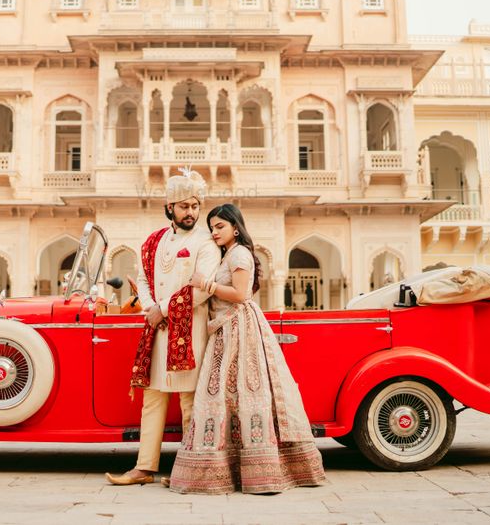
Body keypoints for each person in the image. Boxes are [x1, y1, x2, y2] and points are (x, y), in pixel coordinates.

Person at [168, 203, 326, 494]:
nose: (215, 232)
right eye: (212, 227)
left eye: (220, 227)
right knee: (229, 398)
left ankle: (255, 470)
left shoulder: (239, 253)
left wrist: (207, 284)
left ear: (235, 227)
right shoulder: (229, 253)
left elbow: (240, 294)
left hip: (239, 327)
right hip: (227, 328)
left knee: (241, 394)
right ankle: (232, 469)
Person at [105, 166, 221, 486]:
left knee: (187, 401)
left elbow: (202, 289)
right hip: (158, 330)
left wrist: (165, 310)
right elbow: (143, 279)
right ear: (169, 207)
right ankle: (144, 467)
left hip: (190, 332)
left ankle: (189, 469)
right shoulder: (155, 240)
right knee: (153, 398)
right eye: (184, 206)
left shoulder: (206, 243)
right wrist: (150, 308)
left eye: (195, 206)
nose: (191, 212)